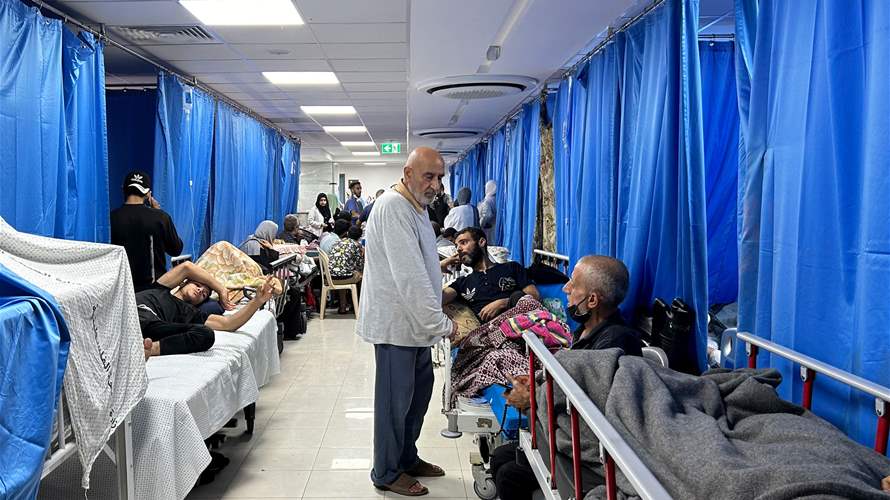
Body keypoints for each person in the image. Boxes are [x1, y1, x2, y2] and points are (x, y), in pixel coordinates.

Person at [490, 255, 643, 500]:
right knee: (500, 457)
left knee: (509, 475)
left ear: (592, 300)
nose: (566, 289)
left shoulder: (615, 344)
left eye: (573, 283)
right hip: (567, 432)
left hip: (597, 453)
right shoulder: (585, 331)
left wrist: (532, 400)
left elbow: (593, 412)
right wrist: (537, 382)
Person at [356, 147, 457, 497]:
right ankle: (385, 471)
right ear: (408, 172)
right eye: (429, 176)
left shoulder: (418, 207)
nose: (435, 185)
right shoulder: (393, 207)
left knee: (417, 399)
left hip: (416, 325)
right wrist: (444, 326)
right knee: (394, 405)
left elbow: (422, 265)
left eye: (440, 177)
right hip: (395, 326)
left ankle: (406, 457)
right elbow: (410, 278)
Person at [138, 261, 275, 358]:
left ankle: (149, 349)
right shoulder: (160, 288)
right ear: (183, 283)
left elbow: (228, 323)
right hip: (131, 311)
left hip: (150, 326)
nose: (200, 290)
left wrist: (257, 301)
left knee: (206, 334)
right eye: (197, 285)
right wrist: (221, 289)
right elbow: (187, 267)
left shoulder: (190, 313)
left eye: (204, 294)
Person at [441, 227, 539, 322]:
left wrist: (504, 302)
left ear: (481, 242)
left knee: (517, 295)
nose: (458, 249)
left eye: (463, 243)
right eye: (456, 246)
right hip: (491, 330)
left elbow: (533, 297)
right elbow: (436, 301)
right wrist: (439, 266)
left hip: (523, 322)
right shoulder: (462, 283)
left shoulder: (511, 267)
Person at [111, 171, 184, 293]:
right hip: (154, 292)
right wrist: (158, 212)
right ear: (148, 194)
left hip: (121, 290)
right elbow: (176, 249)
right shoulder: (161, 218)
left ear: (123, 189)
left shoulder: (111, 218)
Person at [329, 225, 365, 314]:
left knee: (342, 272)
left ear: (348, 233)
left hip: (330, 277)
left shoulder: (337, 242)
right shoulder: (357, 245)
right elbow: (360, 265)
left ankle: (342, 307)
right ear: (359, 237)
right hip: (345, 278)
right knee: (361, 275)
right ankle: (358, 305)